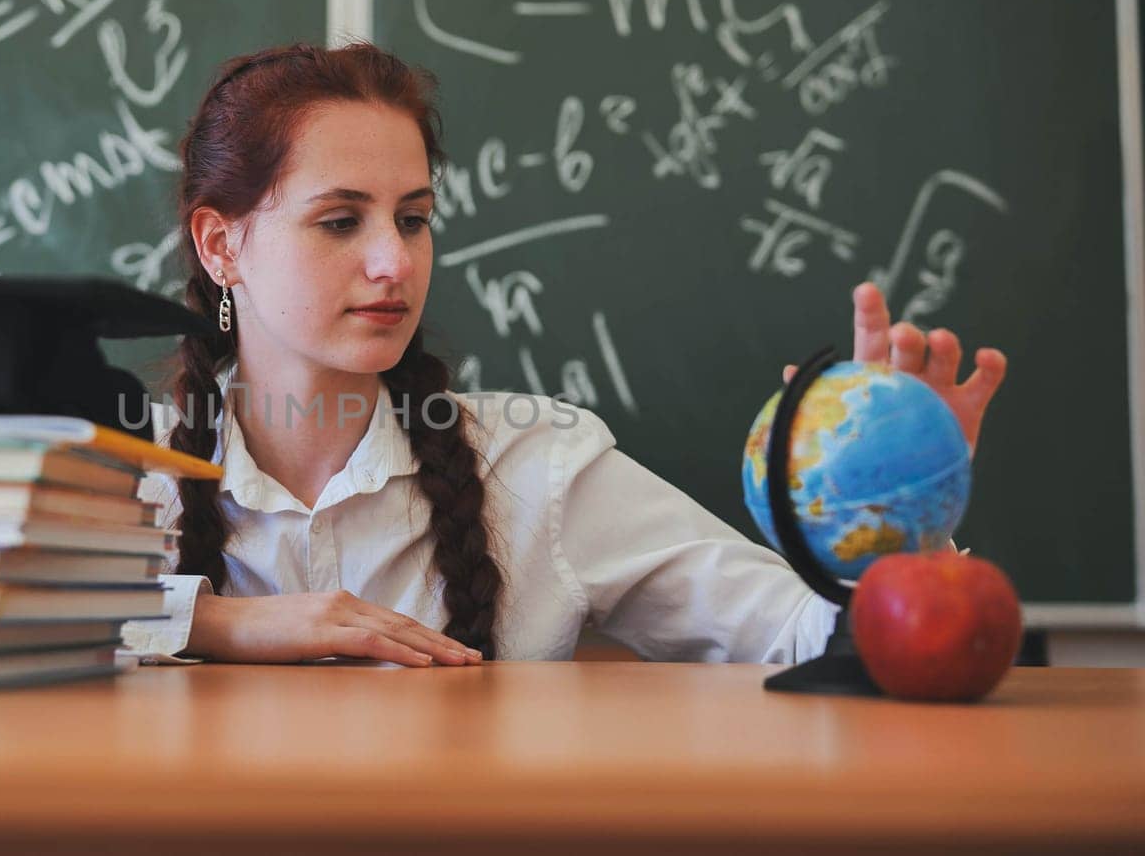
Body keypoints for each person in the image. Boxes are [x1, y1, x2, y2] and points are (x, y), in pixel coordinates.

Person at [119, 42, 1007, 667]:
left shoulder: (537, 465)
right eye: (341, 220)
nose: (395, 261)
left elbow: (802, 635)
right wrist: (220, 624)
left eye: (415, 219)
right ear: (220, 245)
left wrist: (904, 528)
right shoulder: (113, 485)